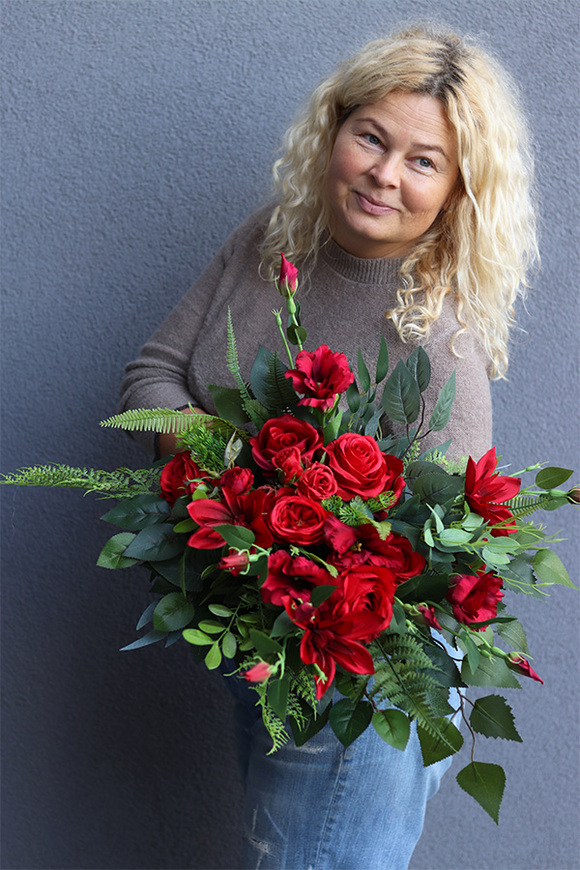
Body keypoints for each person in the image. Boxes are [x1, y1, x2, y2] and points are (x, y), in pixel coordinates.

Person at [120, 23, 538, 870]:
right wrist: (238, 472)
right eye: (372, 137)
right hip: (268, 634)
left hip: (373, 675)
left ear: (459, 188)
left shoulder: (438, 336)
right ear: (335, 128)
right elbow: (153, 374)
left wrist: (276, 510)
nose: (386, 174)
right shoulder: (277, 238)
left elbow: (433, 562)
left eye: (424, 161)